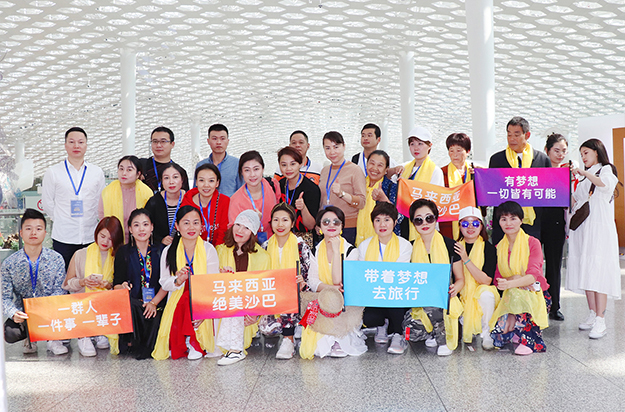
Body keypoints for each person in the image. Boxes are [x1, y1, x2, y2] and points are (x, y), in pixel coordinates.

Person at [567, 138, 621, 339]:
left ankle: (601, 319)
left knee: (598, 271)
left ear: (596, 152)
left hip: (599, 228)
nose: (583, 157)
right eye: (581, 154)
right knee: (587, 270)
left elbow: (604, 184)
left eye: (586, 153)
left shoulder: (606, 170)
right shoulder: (584, 177)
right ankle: (592, 314)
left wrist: (585, 173)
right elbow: (574, 200)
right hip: (583, 228)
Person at [152, 206, 220, 361]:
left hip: (203, 299)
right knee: (185, 296)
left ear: (202, 226)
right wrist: (178, 280)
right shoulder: (169, 251)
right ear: (177, 226)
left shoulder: (209, 249)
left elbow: (212, 284)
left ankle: (194, 342)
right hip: (178, 298)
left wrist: (204, 312)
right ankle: (188, 340)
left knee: (190, 295)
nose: (191, 227)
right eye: (186, 223)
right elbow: (164, 282)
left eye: (196, 223)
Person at [300, 206, 366, 359]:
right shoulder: (315, 251)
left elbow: (340, 281)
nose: (331, 225)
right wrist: (331, 289)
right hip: (323, 298)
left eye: (336, 222)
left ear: (342, 226)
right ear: (319, 228)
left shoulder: (351, 251)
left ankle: (339, 340)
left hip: (345, 301)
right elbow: (313, 281)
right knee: (316, 347)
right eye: (326, 222)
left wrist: (337, 252)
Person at [2, 209, 68, 355]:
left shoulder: (56, 259)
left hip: (50, 310)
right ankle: (30, 337)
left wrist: (44, 308)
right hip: (24, 313)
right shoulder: (9, 263)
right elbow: (4, 297)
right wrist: (13, 313)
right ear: (21, 233)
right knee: (9, 332)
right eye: (28, 229)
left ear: (45, 233)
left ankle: (53, 339)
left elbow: (60, 290)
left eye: (38, 229)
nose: (33, 233)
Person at [403, 199, 464, 357]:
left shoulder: (450, 245)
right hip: (420, 298)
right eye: (419, 220)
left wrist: (455, 288)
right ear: (413, 224)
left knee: (437, 307)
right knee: (410, 331)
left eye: (429, 218)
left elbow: (460, 280)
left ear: (436, 219)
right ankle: (432, 333)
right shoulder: (409, 248)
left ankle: (444, 340)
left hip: (445, 298)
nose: (424, 223)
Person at [490, 201, 550, 355]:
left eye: (513, 218)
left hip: (537, 294)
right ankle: (515, 326)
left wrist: (512, 282)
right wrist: (516, 279)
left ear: (521, 220)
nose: (508, 223)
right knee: (514, 293)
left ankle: (529, 340)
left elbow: (533, 276)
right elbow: (497, 279)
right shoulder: (498, 248)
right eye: (503, 219)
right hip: (510, 295)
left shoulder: (532, 243)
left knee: (517, 293)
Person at [42, 127, 106, 269]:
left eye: (80, 142)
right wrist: (61, 219)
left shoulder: (96, 172)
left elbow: (100, 201)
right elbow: (47, 202)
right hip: (63, 236)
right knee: (64, 277)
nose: (76, 146)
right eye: (71, 142)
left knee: (90, 275)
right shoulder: (53, 172)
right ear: (65, 145)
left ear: (86, 145)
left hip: (90, 235)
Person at [63, 216, 124, 356]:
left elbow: (120, 284)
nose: (105, 242)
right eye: (102, 236)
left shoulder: (117, 256)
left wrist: (108, 285)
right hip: (83, 305)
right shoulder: (80, 254)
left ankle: (99, 331)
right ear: (96, 233)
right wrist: (83, 282)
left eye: (110, 239)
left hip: (106, 306)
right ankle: (83, 335)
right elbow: (67, 284)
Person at [215, 210, 271, 365]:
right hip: (223, 305)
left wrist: (256, 314)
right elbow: (211, 284)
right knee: (234, 297)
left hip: (248, 309)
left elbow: (264, 289)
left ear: (253, 232)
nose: (240, 230)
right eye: (238, 225)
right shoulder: (220, 251)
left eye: (246, 227)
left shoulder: (262, 256)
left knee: (238, 299)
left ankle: (236, 350)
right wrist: (221, 275)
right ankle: (233, 349)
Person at [261, 203, 315, 359]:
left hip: (297, 294)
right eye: (276, 220)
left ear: (292, 224)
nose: (280, 224)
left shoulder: (301, 246)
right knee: (266, 328)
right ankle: (288, 329)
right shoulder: (265, 246)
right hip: (272, 293)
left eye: (285, 220)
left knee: (289, 291)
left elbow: (311, 274)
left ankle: (288, 339)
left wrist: (303, 280)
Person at [357, 202, 412, 354]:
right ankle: (382, 326)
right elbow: (362, 274)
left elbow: (398, 275)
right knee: (369, 318)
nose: (382, 224)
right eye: (378, 220)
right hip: (374, 294)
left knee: (395, 299)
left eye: (387, 220)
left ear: (395, 222)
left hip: (396, 294)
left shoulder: (405, 245)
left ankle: (398, 334)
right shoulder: (364, 246)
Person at [113, 209, 168, 359]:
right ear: (130, 229)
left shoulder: (162, 251)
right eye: (136, 225)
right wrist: (122, 287)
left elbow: (167, 283)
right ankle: (132, 341)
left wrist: (153, 303)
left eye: (145, 224)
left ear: (152, 227)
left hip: (157, 302)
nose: (141, 229)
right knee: (132, 305)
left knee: (158, 312)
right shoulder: (123, 252)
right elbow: (116, 284)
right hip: (134, 304)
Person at [488, 117, 551, 243]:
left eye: (516, 135)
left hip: (533, 223)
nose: (512, 139)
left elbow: (548, 191)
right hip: (504, 222)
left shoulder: (542, 160)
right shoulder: (497, 160)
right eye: (509, 134)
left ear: (527, 135)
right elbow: (491, 189)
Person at [453, 207, 499, 350]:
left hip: (481, 299)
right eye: (465, 223)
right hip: (461, 296)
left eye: (475, 223)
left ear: (481, 226)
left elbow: (486, 280)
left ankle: (487, 333)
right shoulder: (454, 248)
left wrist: (466, 259)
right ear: (459, 226)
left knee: (486, 293)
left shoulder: (489, 249)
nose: (470, 227)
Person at [318, 131, 366, 245]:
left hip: (347, 227)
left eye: (336, 147)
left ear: (344, 146)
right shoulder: (324, 171)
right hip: (327, 226)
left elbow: (361, 202)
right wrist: (319, 222)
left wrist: (342, 194)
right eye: (327, 148)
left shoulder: (355, 170)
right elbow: (322, 199)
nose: (332, 152)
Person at [399, 126, 444, 241]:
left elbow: (435, 201)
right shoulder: (404, 168)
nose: (416, 148)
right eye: (412, 144)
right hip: (404, 221)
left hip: (424, 223)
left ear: (430, 146)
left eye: (420, 144)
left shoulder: (435, 171)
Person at [542, 133, 569, 321]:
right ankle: (537, 306)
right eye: (556, 150)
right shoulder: (537, 171)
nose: (560, 155)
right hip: (537, 222)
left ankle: (554, 306)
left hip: (557, 223)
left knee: (554, 266)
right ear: (547, 150)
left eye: (564, 151)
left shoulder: (568, 173)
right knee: (534, 266)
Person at [228, 151, 280, 245]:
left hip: (275, 242)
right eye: (247, 170)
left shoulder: (273, 185)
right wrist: (253, 222)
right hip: (250, 247)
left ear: (263, 169)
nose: (252, 174)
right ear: (241, 172)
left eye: (256, 169)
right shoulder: (236, 200)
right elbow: (234, 234)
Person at [99, 155, 153, 242]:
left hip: (139, 241)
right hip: (113, 240)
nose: (124, 173)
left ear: (138, 174)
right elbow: (102, 215)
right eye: (121, 169)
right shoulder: (108, 191)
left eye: (129, 170)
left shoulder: (146, 193)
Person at [356, 150, 403, 245]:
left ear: (386, 170)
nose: (374, 168)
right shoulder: (358, 184)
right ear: (366, 165)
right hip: (358, 241)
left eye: (380, 165)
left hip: (384, 243)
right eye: (372, 163)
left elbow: (399, 217)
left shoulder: (392, 187)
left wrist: (383, 199)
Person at [276, 146, 320, 244]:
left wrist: (303, 208)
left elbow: (311, 226)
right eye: (284, 165)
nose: (288, 168)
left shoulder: (312, 189)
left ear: (300, 164)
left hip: (303, 241)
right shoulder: (279, 185)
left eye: (293, 164)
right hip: (282, 237)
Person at [181, 163, 230, 246]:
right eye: (201, 180)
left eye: (211, 181)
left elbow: (223, 232)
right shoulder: (187, 201)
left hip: (218, 248)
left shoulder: (224, 201)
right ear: (196, 182)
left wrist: (215, 251)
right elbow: (184, 229)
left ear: (217, 183)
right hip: (192, 247)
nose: (206, 185)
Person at [440, 133, 473, 240]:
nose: (455, 155)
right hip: (448, 223)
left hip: (472, 223)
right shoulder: (441, 173)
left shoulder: (474, 172)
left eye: (459, 150)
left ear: (467, 151)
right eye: (451, 150)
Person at [144, 163, 187, 245]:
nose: (171, 182)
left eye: (175, 177)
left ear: (182, 179)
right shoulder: (154, 202)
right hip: (161, 248)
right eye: (166, 178)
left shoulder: (189, 199)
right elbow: (146, 226)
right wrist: (160, 239)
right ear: (162, 181)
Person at [195, 123, 242, 197]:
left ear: (228, 141)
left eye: (222, 138)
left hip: (230, 203)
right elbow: (195, 191)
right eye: (214, 139)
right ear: (208, 141)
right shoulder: (201, 165)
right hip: (206, 204)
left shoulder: (237, 164)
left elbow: (242, 190)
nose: (218, 142)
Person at [141, 126, 190, 193]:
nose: (158, 145)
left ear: (172, 144)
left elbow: (185, 195)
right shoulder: (140, 165)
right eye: (155, 141)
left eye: (163, 141)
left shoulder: (179, 171)